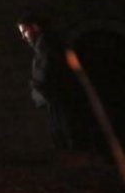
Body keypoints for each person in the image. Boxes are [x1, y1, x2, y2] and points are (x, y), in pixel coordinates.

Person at [17, 13, 93, 151]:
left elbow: (46, 74)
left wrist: (38, 88)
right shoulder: (48, 45)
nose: (23, 37)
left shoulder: (46, 47)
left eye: (24, 32)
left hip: (59, 100)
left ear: (35, 27)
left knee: (69, 139)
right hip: (58, 99)